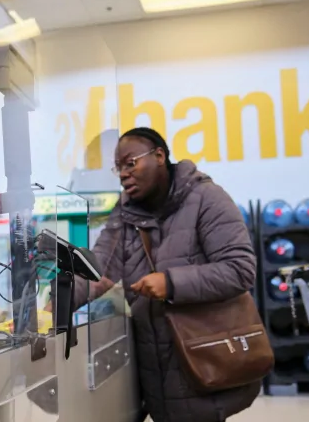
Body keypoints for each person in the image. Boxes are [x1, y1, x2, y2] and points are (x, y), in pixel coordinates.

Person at [64, 127, 259, 422]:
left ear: (159, 156)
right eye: (118, 168)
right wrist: (57, 305)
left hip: (203, 358)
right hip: (155, 370)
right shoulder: (126, 212)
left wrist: (171, 283)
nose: (124, 174)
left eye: (131, 163)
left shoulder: (207, 198)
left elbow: (240, 270)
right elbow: (100, 268)